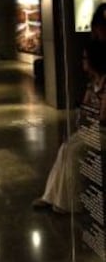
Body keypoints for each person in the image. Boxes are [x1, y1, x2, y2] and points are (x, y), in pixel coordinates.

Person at [32, 38, 106, 213]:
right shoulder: (93, 84)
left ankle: (70, 202)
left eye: (85, 58)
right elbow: (86, 109)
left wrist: (89, 111)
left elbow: (101, 115)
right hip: (96, 129)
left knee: (75, 151)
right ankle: (51, 196)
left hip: (103, 131)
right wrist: (88, 111)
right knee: (66, 147)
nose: (83, 61)